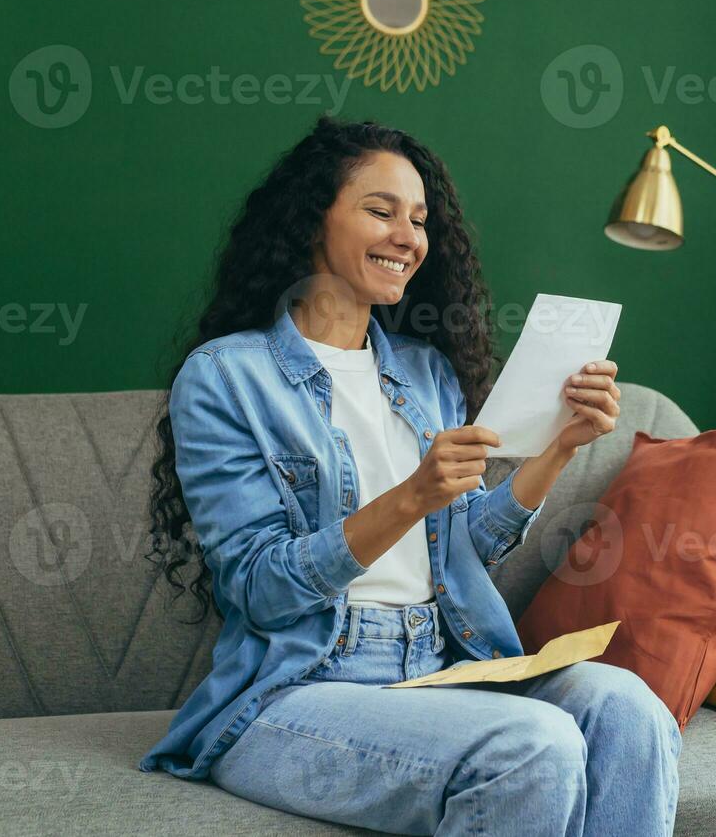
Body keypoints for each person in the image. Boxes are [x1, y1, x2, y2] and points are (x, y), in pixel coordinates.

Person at [138, 116, 681, 835]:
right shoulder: (225, 378)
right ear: (311, 221)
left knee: (628, 709)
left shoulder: (424, 374)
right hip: (298, 687)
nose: (408, 237)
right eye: (380, 211)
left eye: (419, 220)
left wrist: (561, 449)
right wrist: (410, 498)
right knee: (534, 747)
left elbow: (465, 548)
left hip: (438, 662)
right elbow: (261, 590)